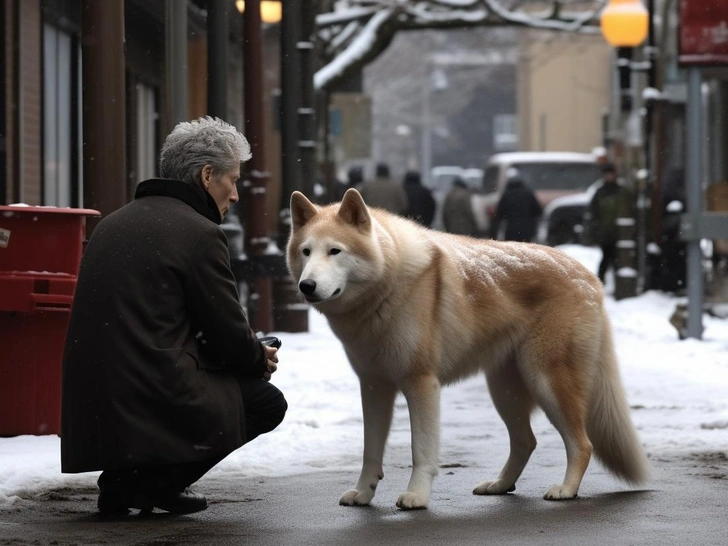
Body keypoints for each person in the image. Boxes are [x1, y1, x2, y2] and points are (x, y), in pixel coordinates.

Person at [61, 116, 287, 516]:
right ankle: (152, 486)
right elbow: (225, 333)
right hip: (150, 392)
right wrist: (258, 357)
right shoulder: (199, 232)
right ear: (206, 175)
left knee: (175, 372)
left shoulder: (111, 223)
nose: (235, 194)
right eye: (232, 180)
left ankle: (124, 479)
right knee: (266, 403)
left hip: (94, 401)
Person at [584, 163, 635, 284]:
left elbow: (628, 210)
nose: (609, 177)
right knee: (607, 258)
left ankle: (617, 284)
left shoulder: (621, 191)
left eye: (610, 174)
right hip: (605, 232)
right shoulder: (600, 192)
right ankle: (601, 282)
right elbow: (593, 213)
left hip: (619, 232)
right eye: (607, 174)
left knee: (617, 260)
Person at [490, 176, 542, 242]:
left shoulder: (507, 195)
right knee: (525, 248)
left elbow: (499, 215)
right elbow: (537, 211)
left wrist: (493, 235)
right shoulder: (528, 194)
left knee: (512, 248)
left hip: (511, 229)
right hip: (526, 229)